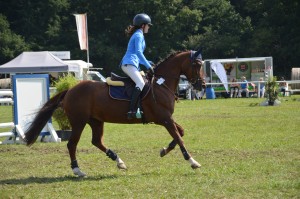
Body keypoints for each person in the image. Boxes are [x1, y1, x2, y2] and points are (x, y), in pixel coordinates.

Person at [120, 13, 154, 119]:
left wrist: (149, 62)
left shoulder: (138, 34)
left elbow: (137, 55)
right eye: (148, 25)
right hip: (129, 64)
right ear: (143, 25)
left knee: (142, 82)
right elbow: (139, 53)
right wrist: (148, 66)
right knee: (140, 82)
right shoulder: (139, 35)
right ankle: (131, 110)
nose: (149, 27)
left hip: (132, 63)